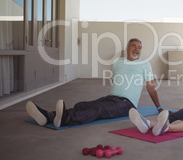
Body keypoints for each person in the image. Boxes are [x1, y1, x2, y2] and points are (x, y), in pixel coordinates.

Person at [26, 38, 164, 128]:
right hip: (112, 98)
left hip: (127, 104)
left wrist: (159, 108)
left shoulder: (144, 63)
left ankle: (66, 118)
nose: (137, 49)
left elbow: (151, 87)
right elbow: (115, 79)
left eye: (140, 47)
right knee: (84, 105)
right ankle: (48, 116)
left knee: (99, 110)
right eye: (134, 46)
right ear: (127, 48)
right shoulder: (117, 62)